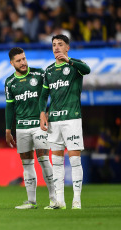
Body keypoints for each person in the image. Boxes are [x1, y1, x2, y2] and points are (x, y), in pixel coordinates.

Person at [39, 34, 91, 209]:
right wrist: (42, 113)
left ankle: (77, 200)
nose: (56, 47)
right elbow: (44, 95)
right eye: (54, 45)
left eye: (60, 44)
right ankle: (59, 200)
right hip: (54, 120)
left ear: (67, 47)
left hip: (72, 118)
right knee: (57, 161)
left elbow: (87, 69)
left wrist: (69, 61)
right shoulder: (49, 70)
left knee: (75, 160)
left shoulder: (75, 66)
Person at [5, 47, 56, 209]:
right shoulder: (9, 82)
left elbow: (53, 94)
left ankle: (54, 199)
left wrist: (47, 113)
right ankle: (31, 201)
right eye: (19, 60)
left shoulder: (39, 74)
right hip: (21, 128)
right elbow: (9, 107)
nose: (23, 63)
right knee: (26, 163)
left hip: (39, 126)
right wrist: (8, 129)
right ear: (12, 63)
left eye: (24, 59)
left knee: (44, 159)